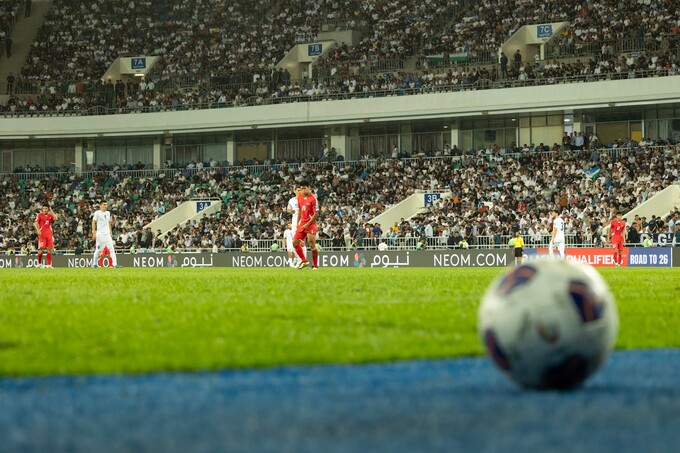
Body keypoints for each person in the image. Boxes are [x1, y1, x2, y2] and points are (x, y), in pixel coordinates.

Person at [292, 181, 319, 269]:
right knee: (295, 242)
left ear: (309, 188)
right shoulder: (299, 197)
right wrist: (297, 223)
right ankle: (304, 261)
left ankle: (315, 265)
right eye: (301, 189)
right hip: (302, 223)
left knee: (311, 244)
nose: (303, 190)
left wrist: (308, 224)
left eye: (304, 188)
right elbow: (299, 210)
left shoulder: (313, 199)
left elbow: (316, 214)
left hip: (311, 224)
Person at [91, 201, 121, 268]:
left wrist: (110, 232)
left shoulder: (108, 213)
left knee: (112, 249)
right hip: (100, 235)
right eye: (104, 205)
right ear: (100, 205)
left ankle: (115, 264)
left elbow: (109, 223)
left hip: (107, 235)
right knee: (98, 250)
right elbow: (93, 222)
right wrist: (94, 232)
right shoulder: (97, 213)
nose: (105, 206)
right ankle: (94, 264)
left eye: (106, 205)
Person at [286, 186, 306, 264]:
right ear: (294, 191)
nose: (300, 192)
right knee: (294, 242)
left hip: (302, 222)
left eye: (301, 190)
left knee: (302, 241)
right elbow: (288, 209)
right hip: (294, 223)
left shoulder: (304, 199)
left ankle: (304, 260)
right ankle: (299, 259)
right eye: (298, 190)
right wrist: (291, 211)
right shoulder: (291, 200)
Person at [34, 204, 58, 268]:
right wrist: (38, 230)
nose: (44, 210)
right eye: (43, 208)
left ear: (48, 209)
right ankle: (39, 263)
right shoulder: (40, 215)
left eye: (46, 209)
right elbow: (35, 223)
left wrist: (51, 211)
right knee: (41, 250)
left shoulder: (50, 215)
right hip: (42, 235)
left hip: (49, 234)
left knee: (49, 249)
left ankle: (49, 265)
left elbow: (56, 218)